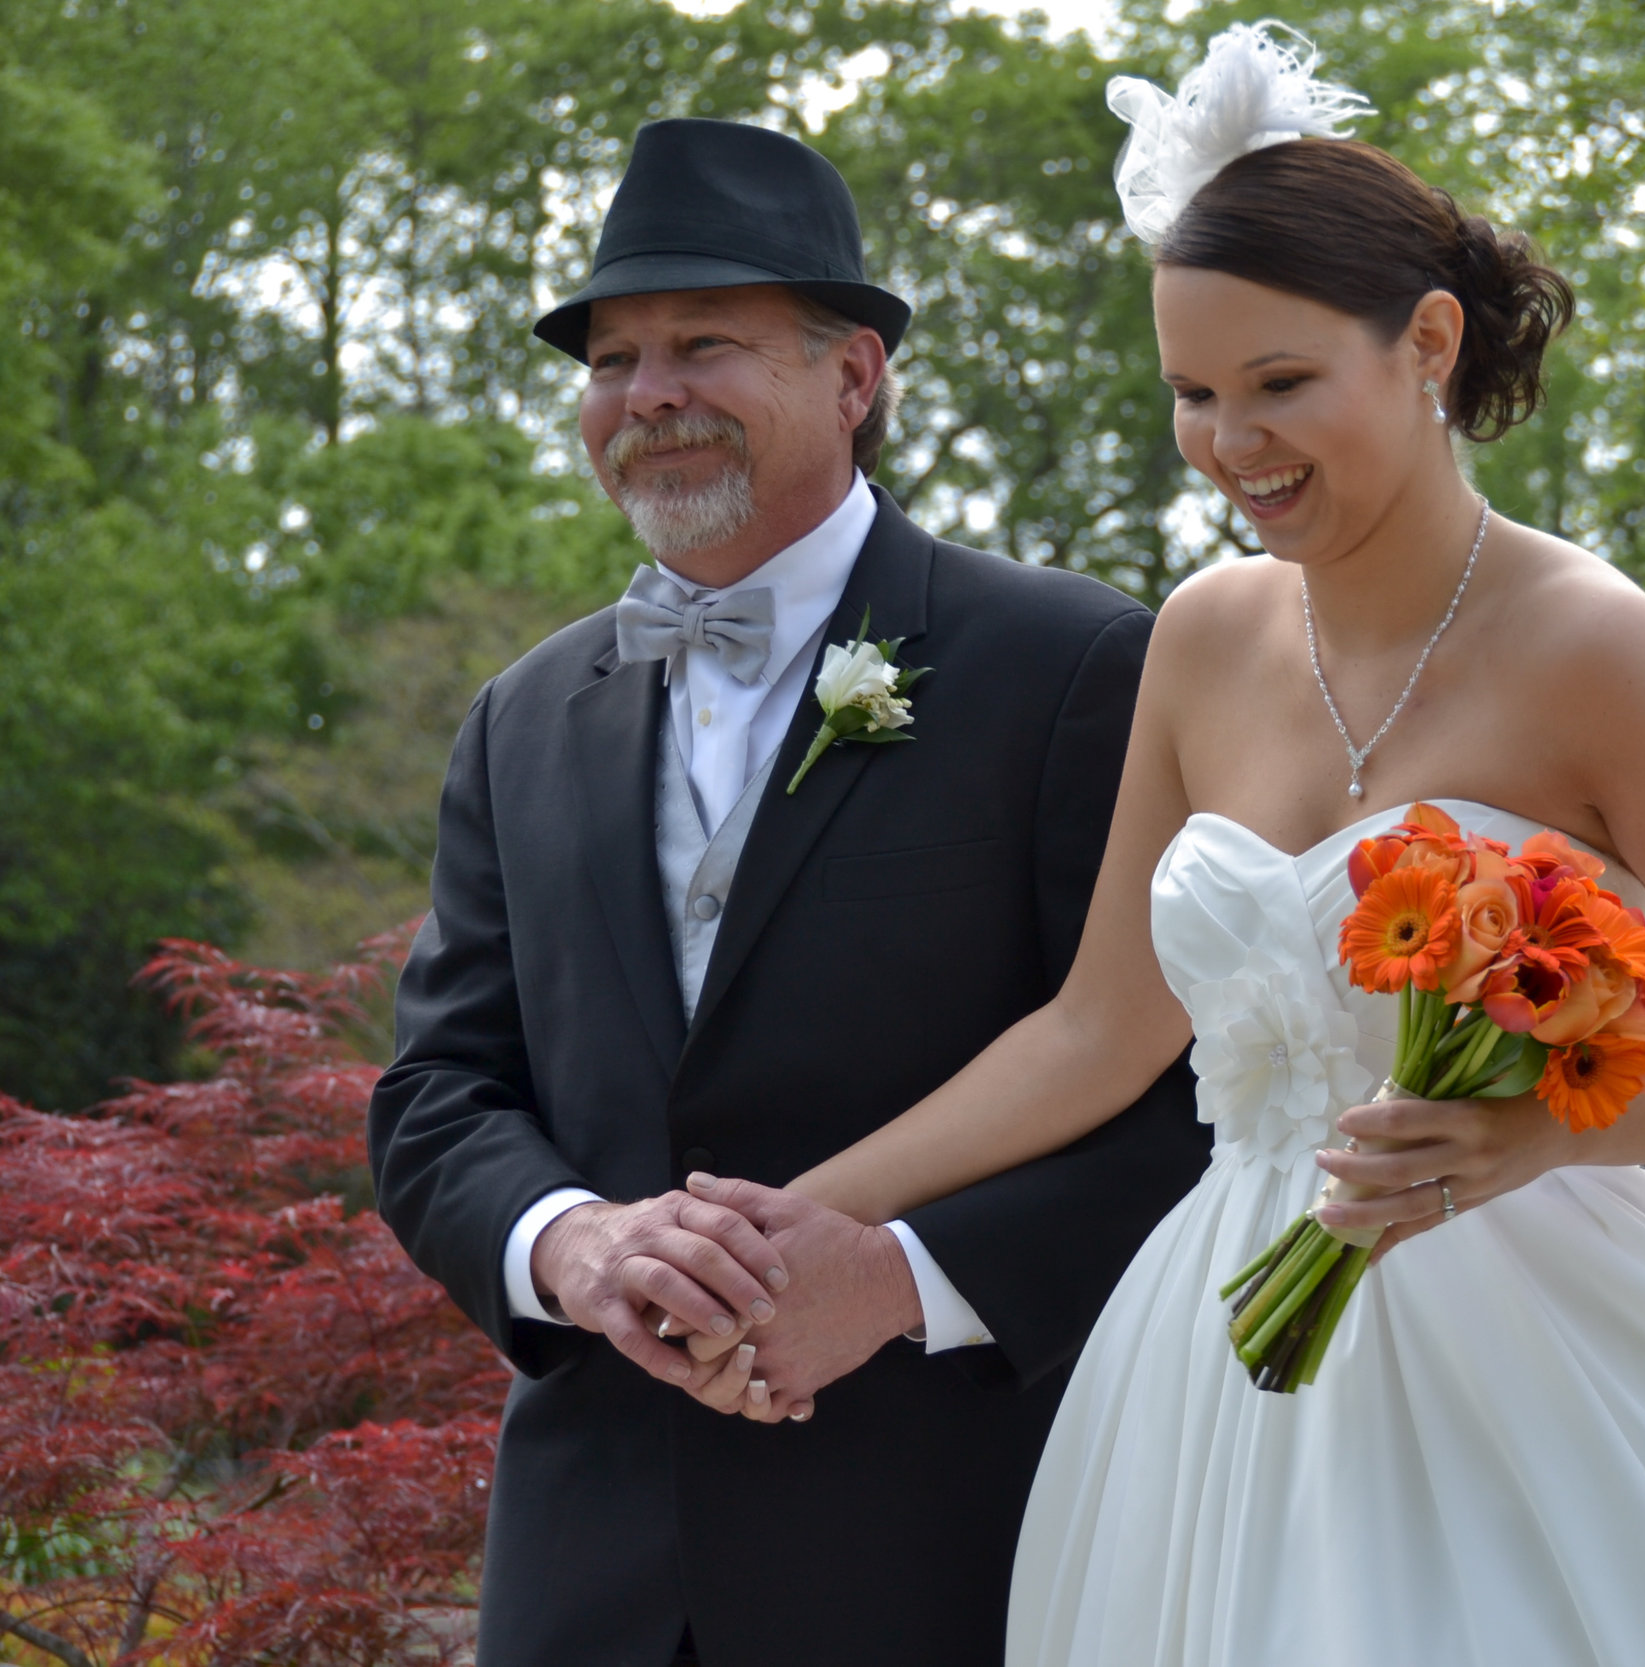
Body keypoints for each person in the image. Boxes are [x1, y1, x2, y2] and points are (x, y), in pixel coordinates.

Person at [686, 26, 1645, 1666]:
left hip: (1548, 1350)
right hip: (1213, 1357)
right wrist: (786, 1221)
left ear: (1427, 343)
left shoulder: (1597, 647)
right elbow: (1096, 1032)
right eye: (1192, 395)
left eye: (1281, 384)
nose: (1230, 443)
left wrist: (1569, 1130)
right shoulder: (1202, 639)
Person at [364, 117, 1208, 1667]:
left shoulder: (1080, 666)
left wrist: (899, 1281)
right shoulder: (522, 715)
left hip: (948, 1544)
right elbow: (438, 1094)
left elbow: (1187, 1097)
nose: (649, 394)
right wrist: (576, 1246)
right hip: (590, 1564)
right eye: (612, 359)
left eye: (703, 342)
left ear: (854, 376)